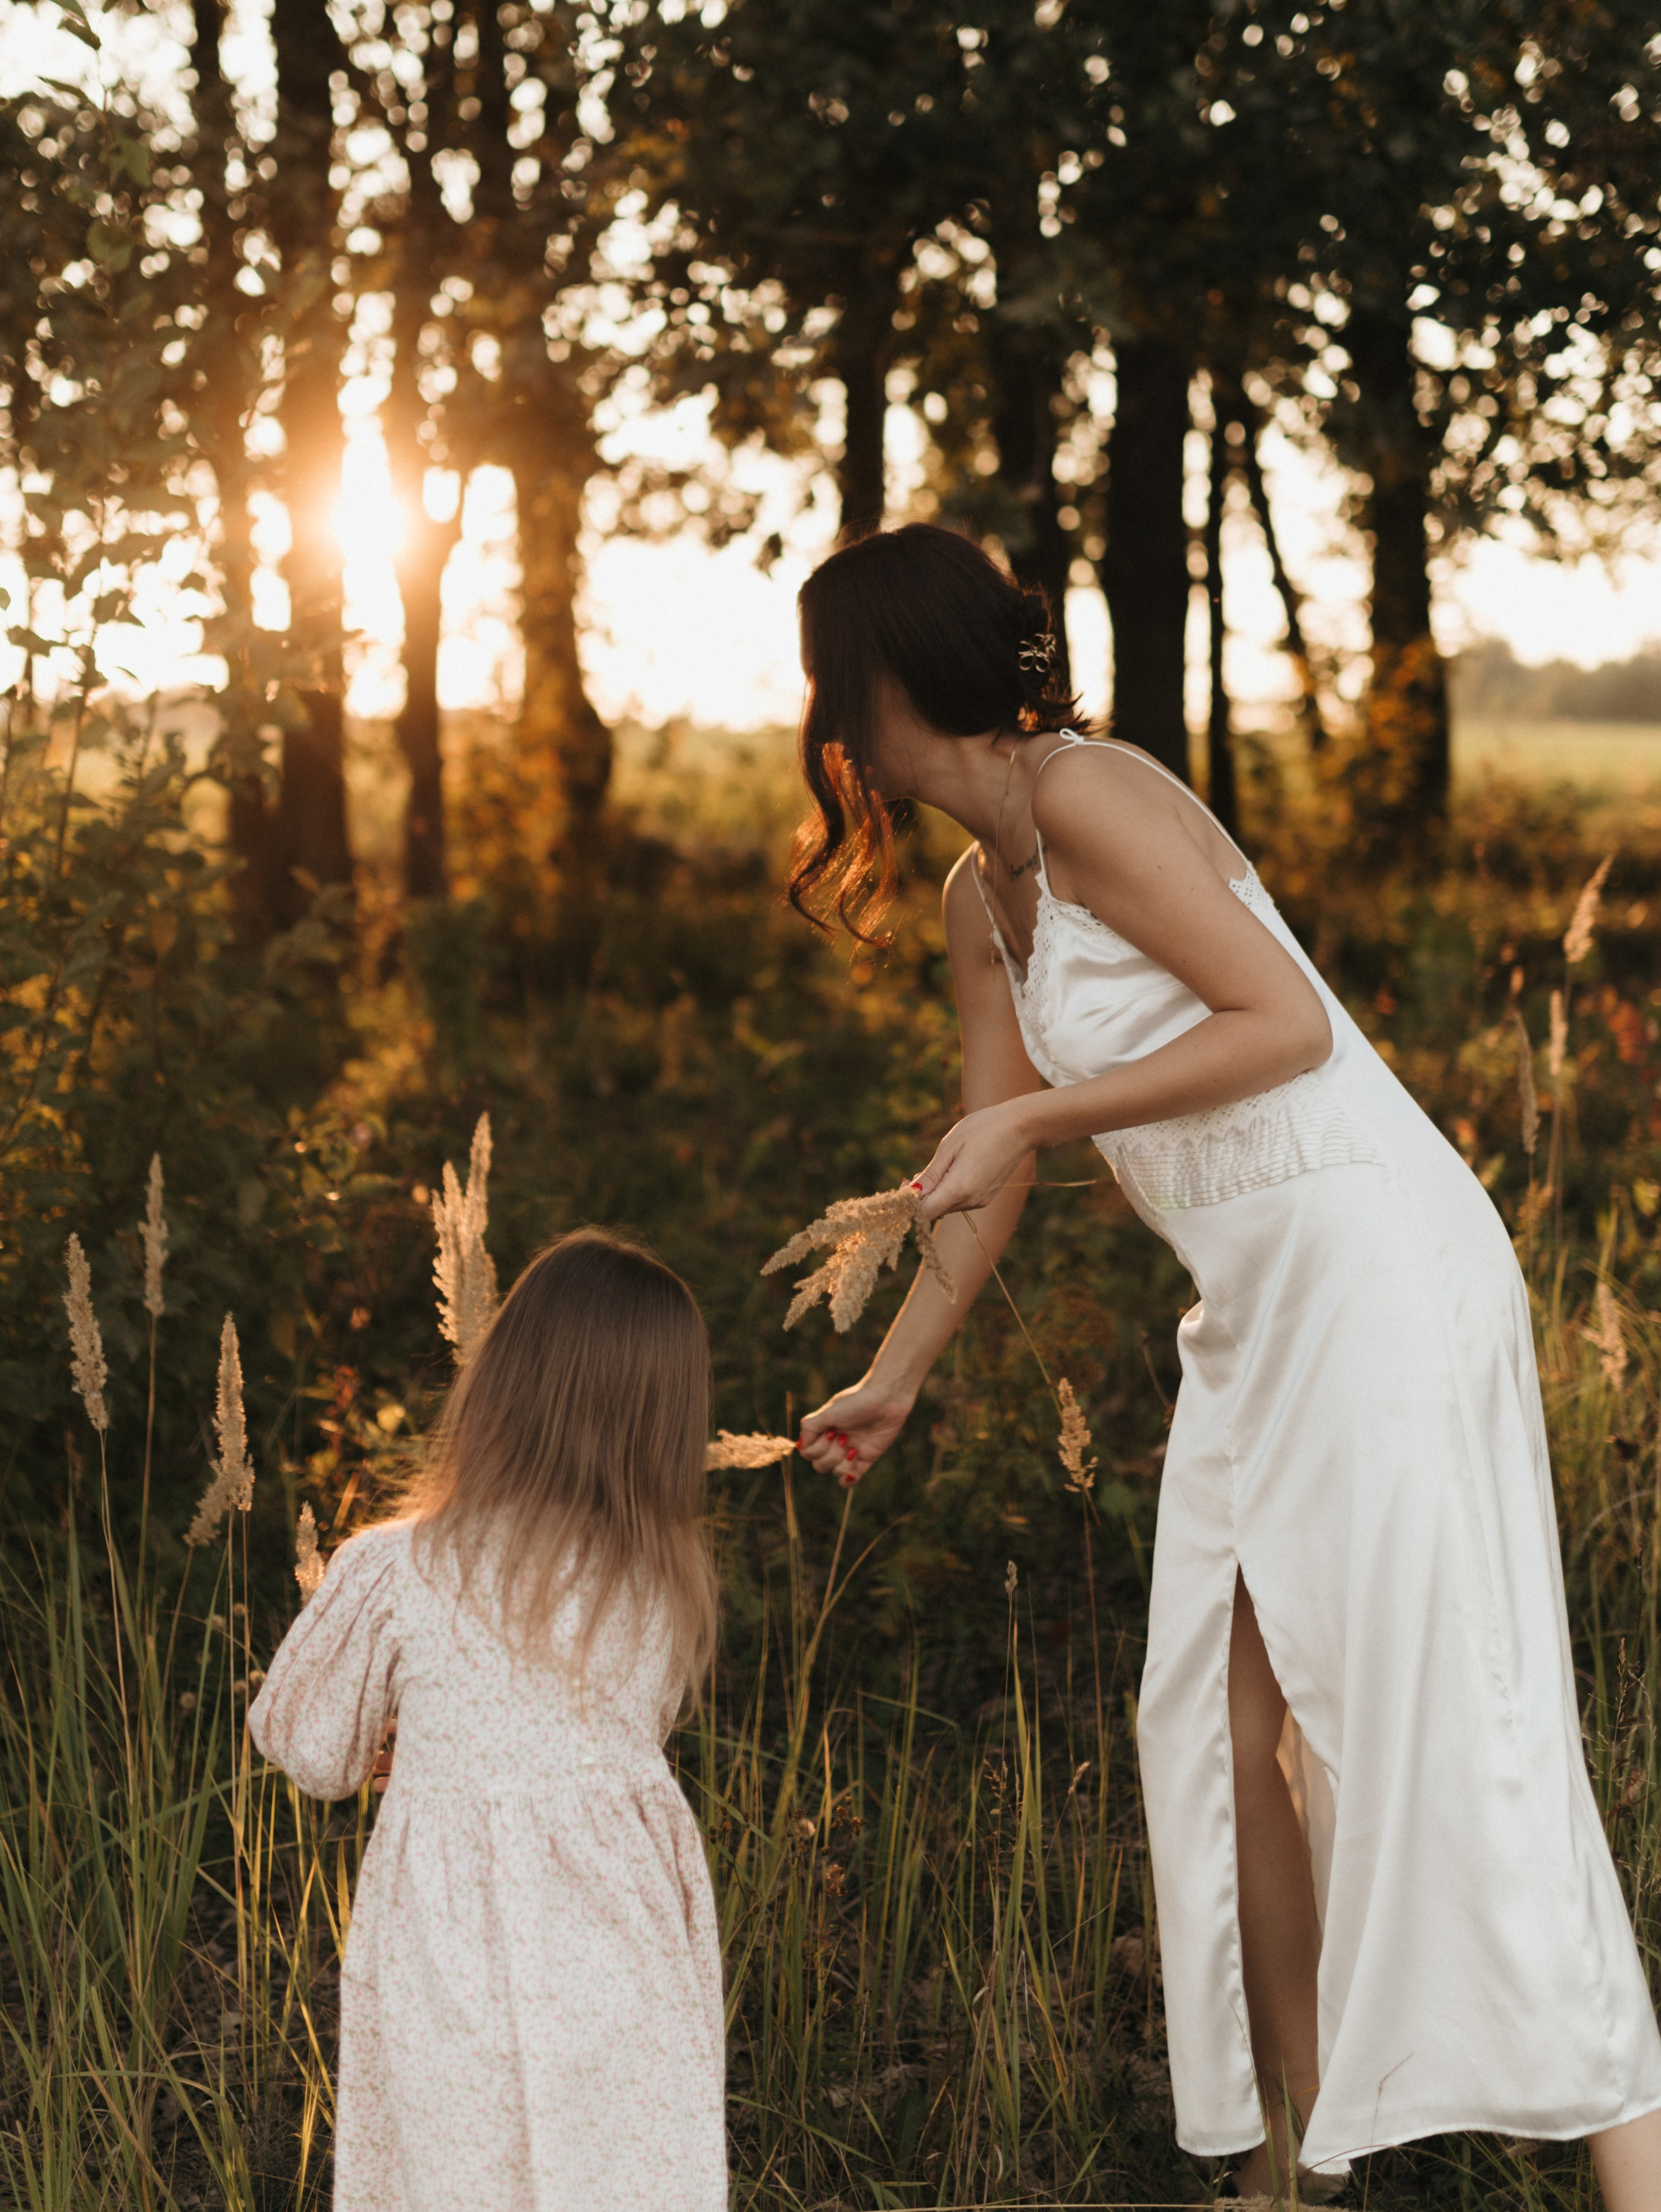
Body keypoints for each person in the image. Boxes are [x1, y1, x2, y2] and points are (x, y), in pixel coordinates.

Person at [790, 522, 1661, 2206]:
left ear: (904, 676)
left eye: (839, 680)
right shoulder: (987, 897)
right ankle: (1294, 2155)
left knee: (1452, 1711)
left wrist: (1041, 1107)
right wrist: (899, 1371)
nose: (826, 720)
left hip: (1375, 1260)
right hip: (1255, 1308)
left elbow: (1289, 1024)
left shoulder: (1098, 797)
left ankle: (1631, 2155)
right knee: (1227, 1723)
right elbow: (994, 1156)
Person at [250, 1231, 727, 2212]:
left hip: (452, 1952)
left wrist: (396, 1746)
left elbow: (306, 1743)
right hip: (621, 1947)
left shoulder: (396, 1568)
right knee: (625, 2175)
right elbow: (622, 1731)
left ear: (504, 1382)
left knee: (457, 2173)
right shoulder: (661, 1586)